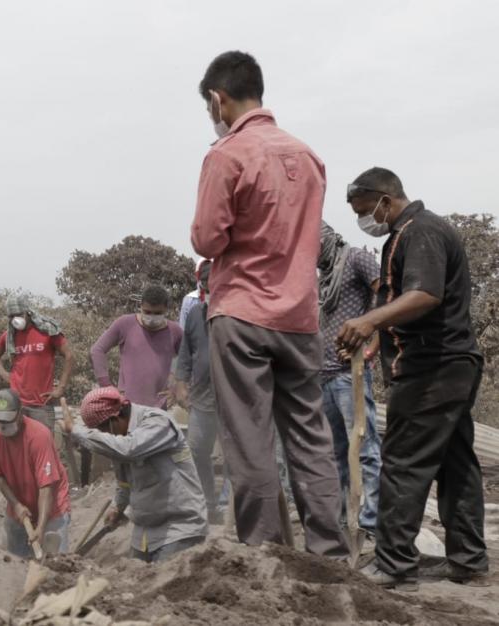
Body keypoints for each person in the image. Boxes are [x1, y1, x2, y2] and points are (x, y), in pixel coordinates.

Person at [189, 50, 348, 558]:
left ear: (218, 99)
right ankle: (329, 551)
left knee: (249, 439)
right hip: (300, 319)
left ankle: (266, 553)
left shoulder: (226, 156)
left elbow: (207, 240)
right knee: (310, 438)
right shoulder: (309, 157)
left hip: (242, 317)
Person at [338, 167, 489, 590]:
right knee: (456, 463)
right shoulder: (409, 233)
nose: (365, 220)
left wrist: (369, 321)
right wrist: (379, 338)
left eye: (366, 210)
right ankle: (469, 561)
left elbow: (424, 295)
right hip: (450, 363)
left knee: (403, 463)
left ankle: (395, 564)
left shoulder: (419, 231)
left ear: (385, 199)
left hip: (432, 368)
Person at [63, 387, 207, 563]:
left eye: (102, 430)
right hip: (145, 533)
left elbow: (129, 449)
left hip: (178, 530)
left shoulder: (158, 423)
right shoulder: (121, 435)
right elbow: (124, 481)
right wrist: (118, 507)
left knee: (161, 586)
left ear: (115, 417)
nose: (105, 437)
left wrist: (77, 431)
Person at [317, 221, 382, 535]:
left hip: (350, 372)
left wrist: (371, 349)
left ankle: (371, 522)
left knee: (366, 449)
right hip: (324, 374)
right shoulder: (325, 275)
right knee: (337, 452)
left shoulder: (357, 258)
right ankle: (345, 519)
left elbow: (387, 300)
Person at [0, 389, 71, 558]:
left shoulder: (39, 436)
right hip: (18, 505)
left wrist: (41, 527)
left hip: (52, 507)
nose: (3, 425)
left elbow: (46, 487)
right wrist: (15, 505)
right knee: (14, 564)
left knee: (55, 565)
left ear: (20, 413)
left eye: (8, 419)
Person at [174, 261, 220, 522]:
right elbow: (185, 354)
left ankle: (231, 505)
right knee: (196, 451)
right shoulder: (194, 315)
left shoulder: (238, 314)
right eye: (205, 286)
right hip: (201, 398)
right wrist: (180, 384)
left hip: (232, 399)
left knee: (238, 454)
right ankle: (208, 504)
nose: (209, 291)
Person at [90, 284, 183, 408]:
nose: (152, 317)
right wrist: (107, 386)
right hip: (127, 405)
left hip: (159, 407)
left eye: (157, 313)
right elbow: (97, 350)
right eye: (147, 312)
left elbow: (188, 361)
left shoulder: (175, 331)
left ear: (166, 309)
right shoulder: (125, 324)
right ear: (140, 306)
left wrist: (176, 388)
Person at [0, 295, 74, 430]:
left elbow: (69, 356)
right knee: (17, 446)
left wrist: (60, 389)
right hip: (16, 404)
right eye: (11, 316)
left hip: (42, 405)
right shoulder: (9, 335)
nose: (14, 319)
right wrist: (6, 375)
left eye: (18, 314)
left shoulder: (48, 331)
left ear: (28, 312)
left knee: (43, 444)